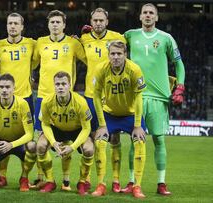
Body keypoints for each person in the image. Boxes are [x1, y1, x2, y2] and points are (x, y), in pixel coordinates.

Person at [123, 3, 185, 195]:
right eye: (145, 13)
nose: (148, 16)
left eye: (151, 13)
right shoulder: (130, 35)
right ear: (140, 16)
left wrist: (180, 87)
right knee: (135, 140)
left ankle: (161, 183)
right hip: (136, 95)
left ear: (157, 18)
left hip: (159, 97)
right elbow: (109, 44)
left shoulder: (166, 38)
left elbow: (179, 63)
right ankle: (131, 181)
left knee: (159, 139)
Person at [33, 10, 87, 191]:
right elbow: (30, 64)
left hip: (66, 98)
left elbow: (90, 60)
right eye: (52, 22)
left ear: (64, 25)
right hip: (43, 97)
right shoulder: (40, 42)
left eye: (58, 22)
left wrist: (84, 39)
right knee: (41, 140)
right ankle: (42, 178)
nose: (55, 25)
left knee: (65, 142)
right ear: (48, 25)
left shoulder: (72, 43)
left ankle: (65, 180)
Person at [91, 41, 147, 198]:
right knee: (100, 142)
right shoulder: (101, 69)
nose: (115, 57)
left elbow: (138, 96)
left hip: (130, 114)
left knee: (140, 141)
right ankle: (102, 184)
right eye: (112, 54)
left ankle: (137, 186)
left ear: (125, 55)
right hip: (110, 114)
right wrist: (102, 124)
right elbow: (96, 95)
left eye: (119, 54)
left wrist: (137, 125)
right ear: (108, 55)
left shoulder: (134, 69)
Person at [79, 7, 126, 193]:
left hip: (112, 96)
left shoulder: (118, 38)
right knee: (92, 138)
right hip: (91, 96)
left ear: (107, 22)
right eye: (95, 20)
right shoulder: (84, 39)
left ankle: (115, 180)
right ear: (91, 22)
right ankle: (89, 179)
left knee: (114, 137)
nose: (98, 23)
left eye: (101, 20)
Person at [0, 12, 42, 188]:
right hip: (4, 98)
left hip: (25, 98)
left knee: (27, 140)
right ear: (6, 26)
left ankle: (24, 177)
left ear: (22, 26)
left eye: (16, 23)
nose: (12, 26)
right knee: (2, 135)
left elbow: (36, 61)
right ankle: (3, 176)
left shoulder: (31, 43)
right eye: (9, 23)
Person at [36, 71, 94, 194]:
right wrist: (53, 142)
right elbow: (45, 124)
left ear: (70, 85)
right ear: (54, 85)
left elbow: (86, 128)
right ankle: (50, 181)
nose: (60, 87)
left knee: (89, 149)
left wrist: (72, 147)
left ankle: (82, 182)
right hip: (57, 128)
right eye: (57, 84)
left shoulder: (81, 102)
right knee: (40, 145)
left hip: (77, 130)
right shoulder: (46, 101)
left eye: (63, 84)